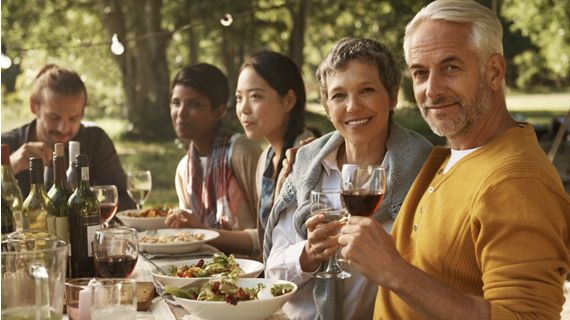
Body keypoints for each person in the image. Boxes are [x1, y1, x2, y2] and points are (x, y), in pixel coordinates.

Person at [337, 1, 570, 319]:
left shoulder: (516, 179)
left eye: (450, 67)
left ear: (494, 71)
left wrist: (393, 271)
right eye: (420, 73)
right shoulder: (453, 156)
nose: (432, 90)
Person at [263, 37, 432, 319]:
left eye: (366, 90)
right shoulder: (307, 167)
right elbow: (273, 273)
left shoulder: (423, 170)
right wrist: (307, 254)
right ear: (328, 108)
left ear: (392, 97)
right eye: (339, 95)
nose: (353, 106)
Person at [166, 52, 313, 258]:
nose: (243, 108)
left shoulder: (305, 156)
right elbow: (267, 240)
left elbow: (295, 244)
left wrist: (201, 231)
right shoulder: (266, 158)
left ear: (289, 100)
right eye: (239, 98)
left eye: (255, 96)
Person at [1, 63, 135, 210]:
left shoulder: (95, 141)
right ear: (34, 107)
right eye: (54, 117)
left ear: (83, 113)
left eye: (73, 118)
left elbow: (125, 201)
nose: (63, 128)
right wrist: (10, 167)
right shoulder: (6, 145)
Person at [164, 63, 261, 237]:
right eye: (176, 103)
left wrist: (202, 231)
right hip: (202, 262)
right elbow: (189, 234)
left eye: (194, 104)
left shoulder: (242, 154)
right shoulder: (184, 168)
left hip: (251, 263)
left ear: (219, 111)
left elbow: (267, 233)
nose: (181, 112)